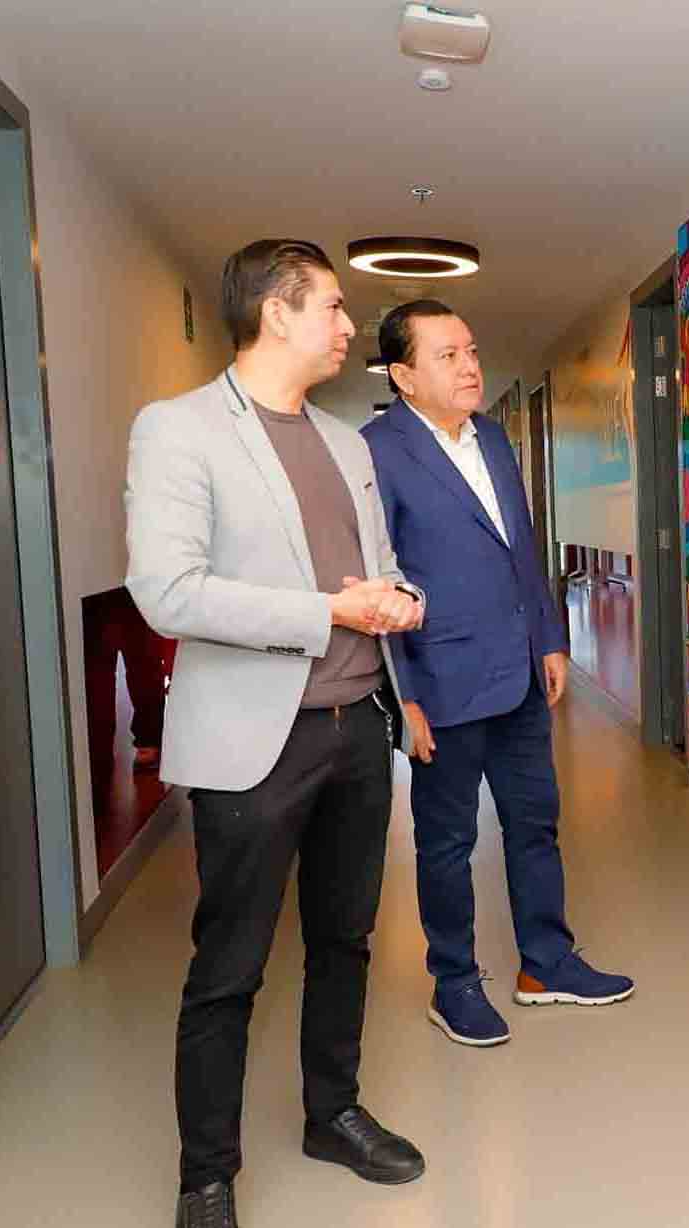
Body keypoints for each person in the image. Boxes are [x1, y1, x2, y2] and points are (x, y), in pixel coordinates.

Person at [126, 240, 431, 1228]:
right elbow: (167, 591)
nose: (349, 326)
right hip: (254, 745)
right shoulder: (178, 430)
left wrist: (399, 600)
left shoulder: (348, 443)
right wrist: (326, 612)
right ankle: (206, 1176)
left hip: (358, 729)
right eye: (333, 307)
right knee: (230, 967)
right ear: (276, 313)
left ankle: (331, 1114)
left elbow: (376, 565)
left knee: (345, 940)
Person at [363, 299, 635, 1051]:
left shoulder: (490, 435)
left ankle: (546, 963)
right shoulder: (376, 452)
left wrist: (549, 637)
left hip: (519, 674)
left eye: (472, 351)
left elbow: (520, 541)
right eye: (447, 355)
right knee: (447, 843)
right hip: (441, 683)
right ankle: (453, 983)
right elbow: (377, 580)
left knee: (534, 822)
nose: (470, 367)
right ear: (403, 376)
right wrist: (404, 698)